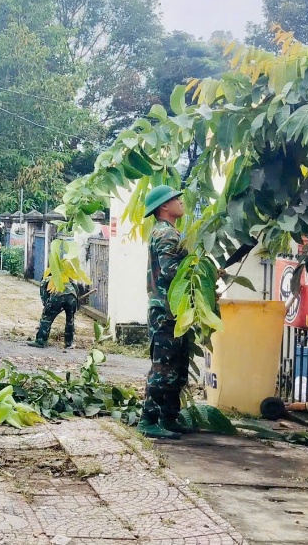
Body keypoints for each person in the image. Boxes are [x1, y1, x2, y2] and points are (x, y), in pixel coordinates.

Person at [139, 184, 196, 440]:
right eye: (175, 199)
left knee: (177, 368)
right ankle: (148, 419)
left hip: (172, 311)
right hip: (166, 311)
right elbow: (172, 272)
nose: (180, 201)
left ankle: (169, 417)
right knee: (164, 368)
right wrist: (200, 275)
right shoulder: (167, 234)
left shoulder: (167, 232)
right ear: (164, 206)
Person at [31, 271, 88, 349]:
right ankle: (69, 343)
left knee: (46, 318)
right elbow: (76, 289)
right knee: (70, 321)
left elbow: (44, 296)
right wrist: (73, 302)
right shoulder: (67, 278)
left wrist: (47, 308)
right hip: (72, 297)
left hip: (57, 296)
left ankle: (41, 341)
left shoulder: (47, 279)